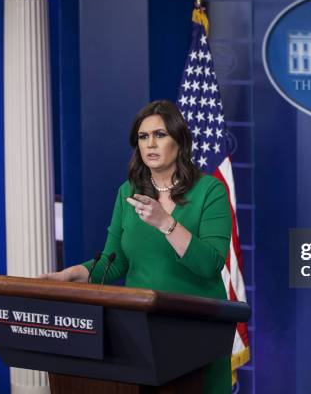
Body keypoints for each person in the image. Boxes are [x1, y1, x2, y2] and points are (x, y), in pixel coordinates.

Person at [41, 99, 232, 393]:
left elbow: (209, 264)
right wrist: (68, 276)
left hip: (197, 332)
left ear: (180, 141)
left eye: (160, 135)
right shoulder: (127, 192)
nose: (150, 144)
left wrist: (164, 222)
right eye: (143, 137)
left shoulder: (210, 191)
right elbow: (113, 262)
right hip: (142, 333)